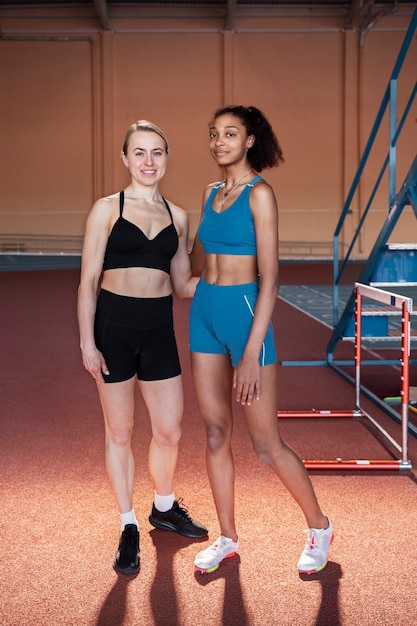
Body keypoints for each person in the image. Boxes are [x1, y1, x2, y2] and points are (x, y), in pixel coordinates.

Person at [189, 105, 334, 575]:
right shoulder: (210, 192)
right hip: (205, 314)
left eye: (230, 134)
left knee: (266, 443)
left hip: (246, 316)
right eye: (214, 134)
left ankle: (319, 526)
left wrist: (251, 354)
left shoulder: (260, 194)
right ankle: (227, 537)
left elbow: (270, 278)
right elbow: (194, 263)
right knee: (215, 434)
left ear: (250, 140)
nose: (219, 142)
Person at [77, 120, 208, 576]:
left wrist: (228, 273)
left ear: (166, 158)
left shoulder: (179, 216)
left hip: (158, 327)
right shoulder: (106, 209)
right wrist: (87, 342)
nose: (148, 162)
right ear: (126, 159)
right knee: (120, 432)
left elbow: (182, 285)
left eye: (157, 153)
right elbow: (88, 282)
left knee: (170, 430)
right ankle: (128, 525)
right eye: (139, 153)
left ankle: (164, 506)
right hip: (113, 325)